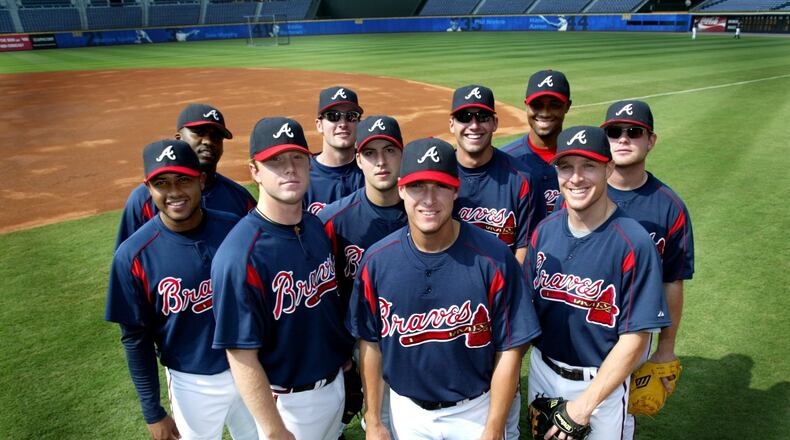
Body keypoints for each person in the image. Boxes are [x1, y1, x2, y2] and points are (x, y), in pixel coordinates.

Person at [347, 138, 541, 440]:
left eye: (439, 186)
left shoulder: (494, 259)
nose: (428, 199)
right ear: (400, 189)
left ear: (456, 189)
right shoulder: (376, 261)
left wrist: (493, 428)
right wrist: (373, 419)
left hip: (474, 411)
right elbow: (370, 343)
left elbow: (510, 348)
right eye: (417, 186)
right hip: (406, 412)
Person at [525, 126, 670, 440]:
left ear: (608, 168)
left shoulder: (634, 243)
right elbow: (526, 311)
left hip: (599, 386)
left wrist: (583, 406)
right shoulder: (544, 231)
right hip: (541, 372)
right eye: (566, 167)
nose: (576, 178)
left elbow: (635, 340)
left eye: (588, 165)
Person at [105, 139, 257, 440]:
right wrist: (153, 410)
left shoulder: (237, 229)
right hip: (191, 383)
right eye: (162, 183)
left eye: (183, 180)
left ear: (200, 180)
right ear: (148, 189)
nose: (174, 192)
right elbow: (135, 339)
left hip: (251, 367)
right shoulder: (132, 256)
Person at [211, 117, 351, 440]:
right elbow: (240, 355)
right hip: (289, 406)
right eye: (275, 160)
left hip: (335, 388)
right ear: (254, 171)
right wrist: (273, 429)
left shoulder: (315, 226)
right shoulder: (239, 257)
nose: (290, 169)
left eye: (297, 158)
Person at [600, 100, 694, 437]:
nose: (623, 139)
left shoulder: (670, 207)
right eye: (614, 132)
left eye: (634, 132)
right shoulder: (581, 193)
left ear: (650, 140)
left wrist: (665, 349)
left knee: (619, 421)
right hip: (578, 330)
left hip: (633, 337)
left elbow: (672, 281)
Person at [318, 115, 407, 436]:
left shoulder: (425, 212)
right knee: (378, 422)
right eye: (371, 153)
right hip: (359, 343)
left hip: (416, 335)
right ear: (358, 159)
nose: (381, 162)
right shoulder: (333, 221)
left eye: (390, 151)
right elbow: (323, 295)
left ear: (403, 155)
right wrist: (342, 354)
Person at [116, 103, 255, 248]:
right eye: (199, 132)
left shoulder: (239, 197)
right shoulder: (143, 199)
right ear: (178, 138)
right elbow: (128, 256)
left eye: (216, 136)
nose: (208, 141)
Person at [449, 84, 546, 265]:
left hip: (503, 285)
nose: (474, 125)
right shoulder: (439, 175)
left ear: (495, 123)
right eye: (464, 117)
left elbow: (526, 247)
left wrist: (505, 287)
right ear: (451, 125)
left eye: (483, 117)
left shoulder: (522, 179)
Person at [501, 70, 572, 216]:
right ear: (526, 105)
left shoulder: (582, 160)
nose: (545, 113)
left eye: (554, 105)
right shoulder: (505, 159)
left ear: (567, 106)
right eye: (537, 105)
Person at [305, 86, 365, 215]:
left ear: (359, 124)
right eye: (333, 116)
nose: (343, 123)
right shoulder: (302, 175)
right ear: (319, 125)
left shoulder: (372, 170)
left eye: (351, 116)